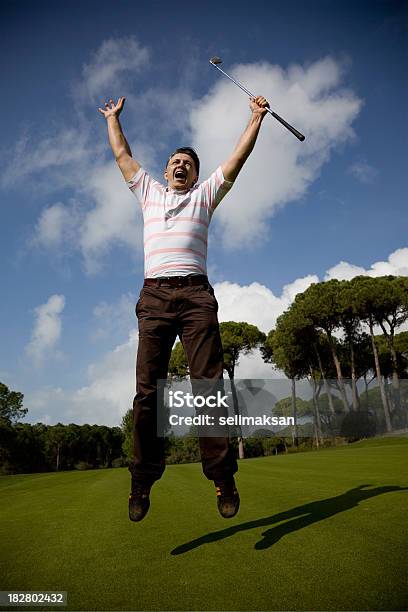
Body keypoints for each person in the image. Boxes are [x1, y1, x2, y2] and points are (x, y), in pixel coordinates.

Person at [99, 93, 270, 522]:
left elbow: (237, 158)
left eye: (188, 164)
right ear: (165, 170)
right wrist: (113, 119)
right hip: (155, 296)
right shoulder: (148, 193)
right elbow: (121, 153)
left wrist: (255, 118)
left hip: (196, 297)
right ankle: (141, 480)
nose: (181, 166)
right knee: (147, 392)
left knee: (207, 388)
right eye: (175, 161)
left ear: (195, 176)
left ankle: (222, 477)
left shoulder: (205, 196)